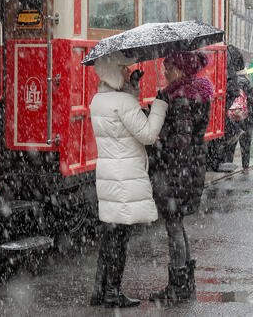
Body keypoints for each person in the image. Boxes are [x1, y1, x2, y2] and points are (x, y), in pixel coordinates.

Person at [88, 52, 167, 308]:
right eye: (123, 69)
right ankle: (113, 292)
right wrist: (159, 106)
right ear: (112, 71)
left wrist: (131, 88)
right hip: (125, 176)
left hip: (109, 174)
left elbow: (120, 123)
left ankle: (100, 290)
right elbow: (147, 134)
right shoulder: (123, 103)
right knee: (120, 237)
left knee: (110, 233)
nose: (126, 72)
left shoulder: (98, 101)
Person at [148, 51, 213, 304]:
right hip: (190, 168)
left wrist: (158, 132)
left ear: (182, 71)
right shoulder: (197, 92)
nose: (165, 72)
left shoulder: (181, 98)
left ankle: (177, 287)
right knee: (178, 224)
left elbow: (181, 139)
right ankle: (185, 284)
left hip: (178, 171)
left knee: (173, 225)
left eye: (169, 68)